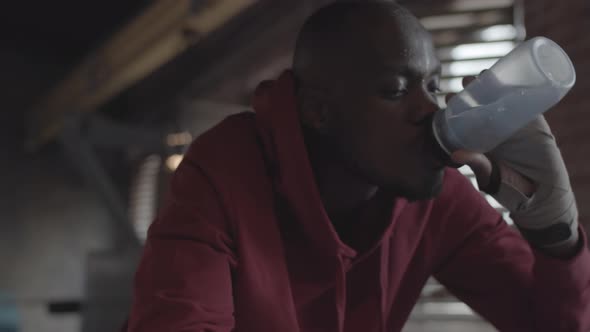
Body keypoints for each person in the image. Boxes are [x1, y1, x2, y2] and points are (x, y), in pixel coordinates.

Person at [125, 1, 590, 331]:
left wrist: (556, 235)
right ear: (319, 111)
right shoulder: (225, 168)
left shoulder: (437, 194)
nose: (429, 108)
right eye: (394, 89)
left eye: (432, 85)